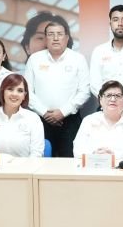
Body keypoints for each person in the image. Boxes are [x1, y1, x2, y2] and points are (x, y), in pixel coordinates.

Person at [24, 17, 89, 157]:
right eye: (51, 34)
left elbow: (84, 92)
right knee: (41, 160)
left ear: (67, 38)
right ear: (46, 38)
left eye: (59, 34)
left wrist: (63, 112)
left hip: (70, 120)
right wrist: (45, 113)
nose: (55, 38)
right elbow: (27, 91)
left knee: (71, 161)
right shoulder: (34, 60)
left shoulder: (78, 59)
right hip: (41, 120)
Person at [0, 73, 45, 158]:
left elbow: (36, 154)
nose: (14, 94)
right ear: (2, 92)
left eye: (20, 91)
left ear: (24, 96)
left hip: (24, 166)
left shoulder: (33, 119)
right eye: (10, 89)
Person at [74, 80, 123, 161]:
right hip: (93, 165)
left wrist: (115, 155)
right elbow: (77, 150)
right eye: (108, 95)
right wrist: (94, 154)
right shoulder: (88, 121)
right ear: (100, 100)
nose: (113, 99)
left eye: (118, 96)